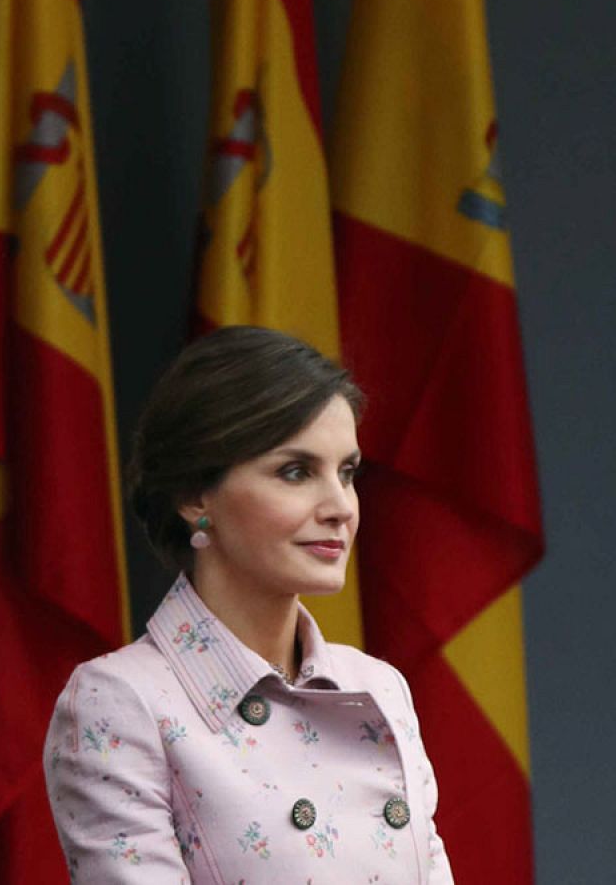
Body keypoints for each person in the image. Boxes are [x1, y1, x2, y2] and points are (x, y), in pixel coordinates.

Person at [43, 326, 452, 882]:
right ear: (195, 496)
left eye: (348, 473)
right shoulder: (120, 702)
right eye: (296, 472)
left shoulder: (379, 688)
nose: (340, 507)